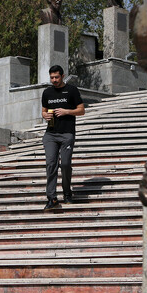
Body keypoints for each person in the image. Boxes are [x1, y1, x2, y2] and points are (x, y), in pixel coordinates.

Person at [41, 65, 85, 210]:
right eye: (52, 77)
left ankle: (67, 193)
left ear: (62, 76)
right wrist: (45, 115)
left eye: (57, 77)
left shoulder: (71, 90)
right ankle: (52, 198)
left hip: (67, 134)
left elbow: (81, 110)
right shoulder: (47, 93)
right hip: (50, 135)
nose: (54, 80)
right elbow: (43, 111)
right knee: (51, 164)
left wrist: (67, 111)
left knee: (65, 164)